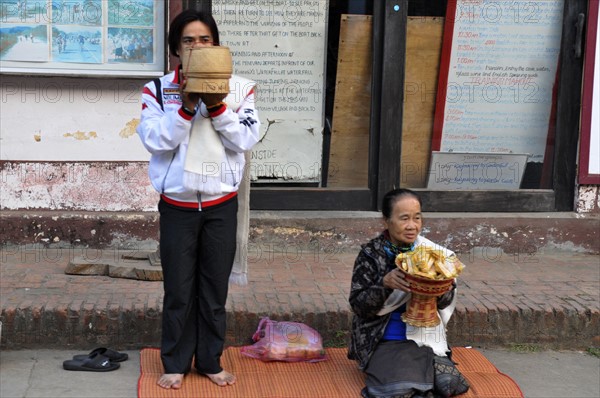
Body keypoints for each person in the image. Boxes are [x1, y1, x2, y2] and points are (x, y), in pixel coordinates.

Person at [136, 9, 260, 390]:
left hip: (221, 205)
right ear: (176, 47)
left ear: (216, 44)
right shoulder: (157, 90)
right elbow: (155, 140)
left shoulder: (240, 88)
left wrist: (219, 106)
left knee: (213, 290)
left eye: (205, 39)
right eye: (188, 40)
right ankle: (174, 362)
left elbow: (245, 139)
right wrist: (186, 107)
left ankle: (209, 360)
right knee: (177, 289)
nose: (197, 46)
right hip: (178, 207)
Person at [348, 188, 469, 398]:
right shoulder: (371, 254)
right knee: (401, 389)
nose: (412, 226)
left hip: (425, 337)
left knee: (447, 384)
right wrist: (384, 284)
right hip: (384, 338)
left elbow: (444, 304)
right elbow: (358, 305)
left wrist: (443, 286)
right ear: (386, 221)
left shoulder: (433, 255)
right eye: (404, 218)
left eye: (417, 218)